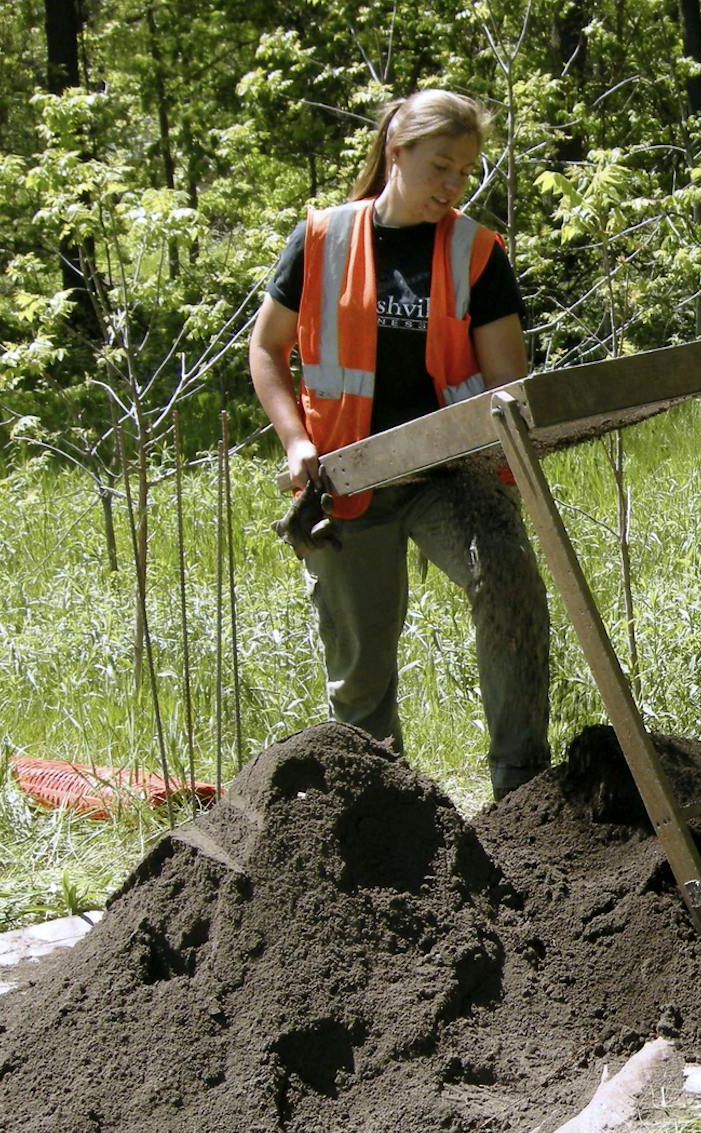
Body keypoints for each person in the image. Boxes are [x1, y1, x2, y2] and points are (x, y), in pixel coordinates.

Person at [248, 89, 550, 800]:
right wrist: (295, 442)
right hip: (349, 481)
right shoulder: (322, 238)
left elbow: (509, 381)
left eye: (464, 173)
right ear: (396, 151)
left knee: (509, 586)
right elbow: (266, 350)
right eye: (439, 167)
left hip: (452, 472)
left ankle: (521, 791)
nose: (451, 186)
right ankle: (386, 813)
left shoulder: (477, 251)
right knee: (360, 674)